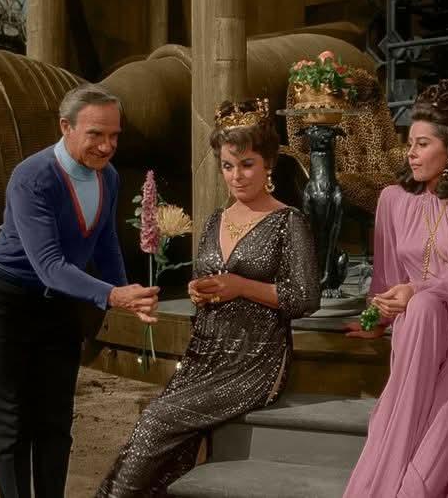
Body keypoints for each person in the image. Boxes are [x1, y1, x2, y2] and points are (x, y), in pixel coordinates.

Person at [96, 98, 321, 497]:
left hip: (255, 360)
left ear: (268, 164)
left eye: (247, 164)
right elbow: (209, 278)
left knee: (156, 422)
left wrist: (241, 286)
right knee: (155, 430)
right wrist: (199, 292)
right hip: (204, 353)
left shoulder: (289, 221)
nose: (236, 176)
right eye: (227, 166)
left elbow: (305, 297)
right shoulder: (217, 219)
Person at [0, 83, 160, 498]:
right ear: (65, 127)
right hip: (5, 303)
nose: (107, 146)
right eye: (96, 134)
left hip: (58, 308)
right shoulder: (32, 177)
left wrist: (127, 291)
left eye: (114, 135)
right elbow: (50, 266)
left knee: (55, 423)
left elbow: (106, 242)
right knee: (11, 425)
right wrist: (112, 296)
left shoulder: (109, 177)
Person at [343, 79, 448, 497]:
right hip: (423, 329)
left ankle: (407, 490)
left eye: (422, 144)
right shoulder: (392, 200)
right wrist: (377, 317)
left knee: (442, 409)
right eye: (410, 143)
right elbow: (386, 277)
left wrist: (415, 290)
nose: (411, 153)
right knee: (420, 311)